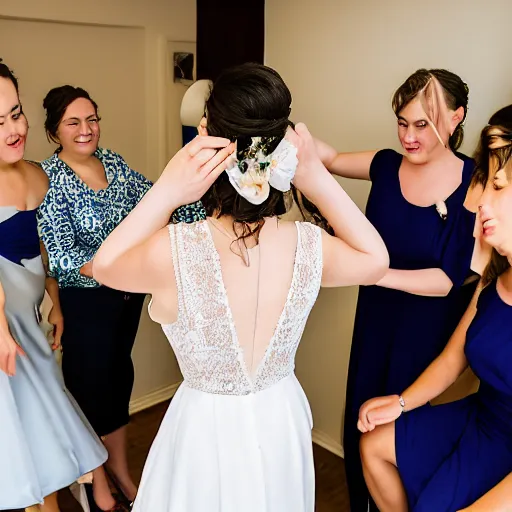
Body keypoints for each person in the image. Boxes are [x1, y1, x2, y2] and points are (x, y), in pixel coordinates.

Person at [91, 63, 389, 512]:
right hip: (281, 418)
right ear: (282, 149)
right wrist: (315, 176)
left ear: (206, 140)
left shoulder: (176, 250)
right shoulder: (307, 244)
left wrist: (169, 190)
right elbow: (377, 260)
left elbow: (106, 267)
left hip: (206, 430)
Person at [315, 68, 479, 511]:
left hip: (431, 335)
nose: (409, 136)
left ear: (455, 117)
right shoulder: (386, 166)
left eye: (421, 125)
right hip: (376, 322)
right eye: (402, 123)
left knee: (406, 440)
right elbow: (326, 159)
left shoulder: (474, 181)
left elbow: (448, 279)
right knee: (362, 421)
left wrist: (372, 272)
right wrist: (292, 137)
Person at [36, 85, 205, 509]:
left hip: (125, 301)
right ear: (55, 130)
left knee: (117, 383)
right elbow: (62, 257)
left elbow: (156, 205)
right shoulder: (48, 179)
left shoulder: (112, 162)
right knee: (88, 391)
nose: (86, 129)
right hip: (86, 304)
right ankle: (97, 483)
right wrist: (119, 264)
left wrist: (200, 206)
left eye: (92, 119)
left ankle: (121, 469)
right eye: (73, 122)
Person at [357, 104, 512, 511]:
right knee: (374, 443)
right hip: (485, 421)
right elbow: (452, 358)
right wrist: (402, 401)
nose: (479, 200)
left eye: (496, 185)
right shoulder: (496, 279)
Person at [0, 60, 119, 512]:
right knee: (18, 456)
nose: (13, 129)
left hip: (31, 331)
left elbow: (43, 249)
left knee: (45, 451)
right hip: (4, 338)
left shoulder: (37, 174)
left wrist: (56, 304)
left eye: (16, 113)